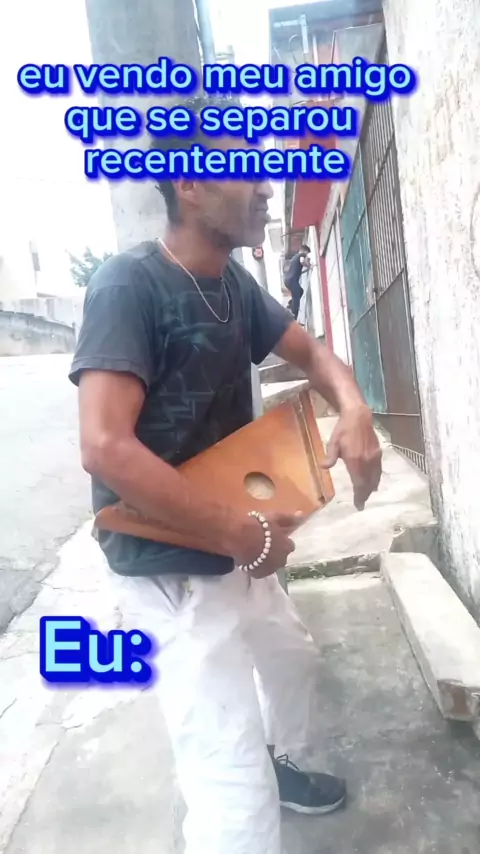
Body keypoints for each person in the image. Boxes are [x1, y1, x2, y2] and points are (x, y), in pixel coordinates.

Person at [69, 101, 382, 854]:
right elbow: (104, 447)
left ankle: (278, 767)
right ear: (189, 185)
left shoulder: (231, 285)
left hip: (233, 537)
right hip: (167, 568)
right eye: (247, 166)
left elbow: (313, 353)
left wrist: (355, 409)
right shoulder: (127, 287)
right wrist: (241, 535)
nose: (268, 185)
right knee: (230, 789)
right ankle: (246, 793)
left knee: (295, 664)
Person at [284, 244, 311, 319]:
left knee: (300, 291)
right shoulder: (301, 255)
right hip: (292, 280)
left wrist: (307, 270)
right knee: (297, 295)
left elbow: (296, 270)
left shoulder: (294, 258)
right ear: (305, 251)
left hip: (287, 280)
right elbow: (302, 261)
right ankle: (294, 315)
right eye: (307, 254)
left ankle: (291, 304)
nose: (307, 256)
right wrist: (309, 266)